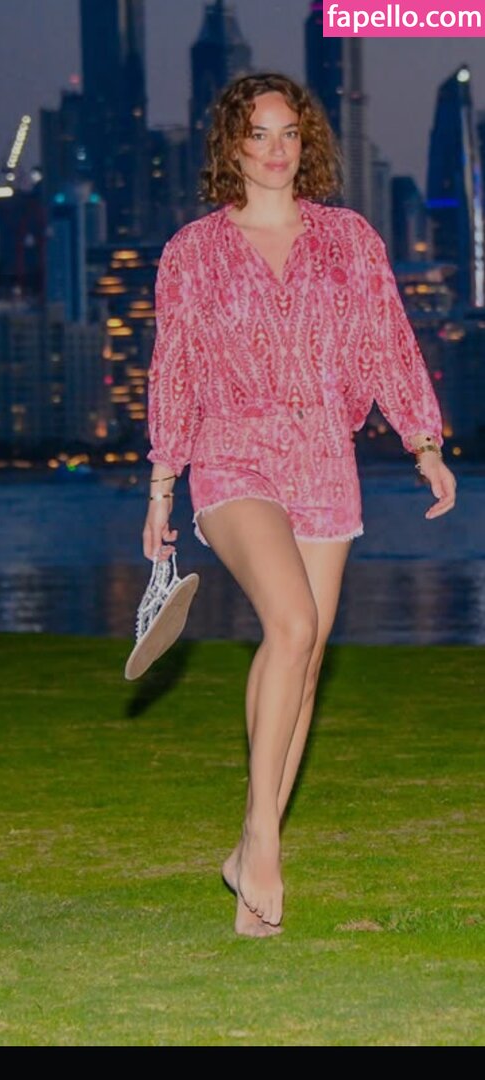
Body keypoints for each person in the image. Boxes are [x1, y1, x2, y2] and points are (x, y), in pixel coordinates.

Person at [142, 72, 457, 938]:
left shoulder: (349, 239)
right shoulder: (193, 252)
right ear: (231, 146)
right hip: (232, 453)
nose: (276, 149)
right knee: (290, 622)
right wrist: (163, 485)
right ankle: (263, 841)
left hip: (324, 457)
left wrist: (425, 444)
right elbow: (174, 368)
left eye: (289, 133)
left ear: (306, 142)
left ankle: (249, 862)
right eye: (258, 134)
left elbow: (389, 341)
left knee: (307, 654)